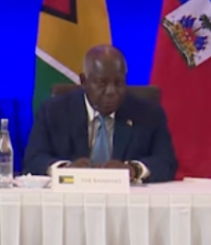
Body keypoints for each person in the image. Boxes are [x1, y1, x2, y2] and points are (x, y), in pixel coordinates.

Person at [24, 45, 177, 183]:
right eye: (102, 83)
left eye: (118, 83)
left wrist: (134, 170)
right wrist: (66, 169)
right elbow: (33, 159)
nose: (111, 92)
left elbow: (166, 162)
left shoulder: (148, 113)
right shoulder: (53, 111)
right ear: (84, 81)